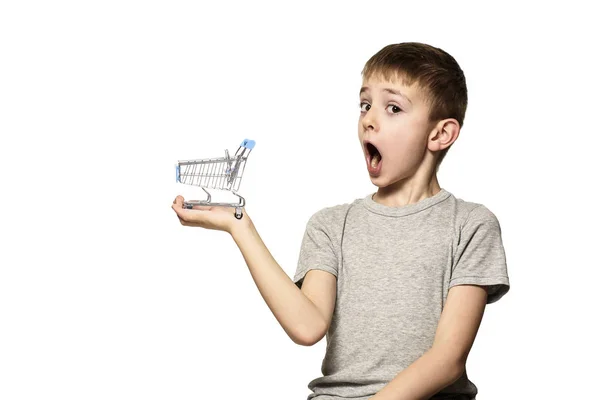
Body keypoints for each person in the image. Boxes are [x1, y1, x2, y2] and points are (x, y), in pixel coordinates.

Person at [171, 42, 510, 400]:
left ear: (440, 134)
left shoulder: (471, 225)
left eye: (392, 107)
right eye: (365, 105)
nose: (369, 119)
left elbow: (447, 360)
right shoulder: (331, 225)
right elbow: (307, 325)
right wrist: (241, 228)